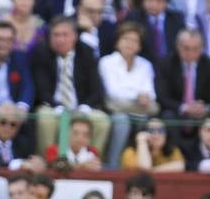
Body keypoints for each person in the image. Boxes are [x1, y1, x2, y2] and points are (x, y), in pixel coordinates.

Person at [32, 16, 109, 157]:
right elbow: (41, 89)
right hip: (52, 106)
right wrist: (57, 107)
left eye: (65, 35)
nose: (60, 39)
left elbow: (97, 89)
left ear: (74, 36)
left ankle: (91, 161)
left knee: (102, 121)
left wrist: (84, 107)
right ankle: (48, 160)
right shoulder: (41, 52)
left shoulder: (86, 52)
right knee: (45, 117)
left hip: (81, 106)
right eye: (55, 35)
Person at [98, 19, 157, 167]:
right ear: (117, 42)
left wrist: (141, 97)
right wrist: (137, 96)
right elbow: (113, 93)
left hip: (139, 112)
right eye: (125, 39)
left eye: (134, 40)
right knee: (121, 120)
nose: (129, 44)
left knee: (148, 121)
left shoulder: (145, 65)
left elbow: (150, 94)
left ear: (140, 46)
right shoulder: (107, 62)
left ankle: (139, 165)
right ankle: (113, 165)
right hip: (114, 110)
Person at [119, 117, 183, 171]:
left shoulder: (172, 150)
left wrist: (153, 170)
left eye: (160, 130)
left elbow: (180, 166)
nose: (156, 135)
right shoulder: (130, 152)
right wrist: (141, 141)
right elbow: (144, 168)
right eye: (151, 130)